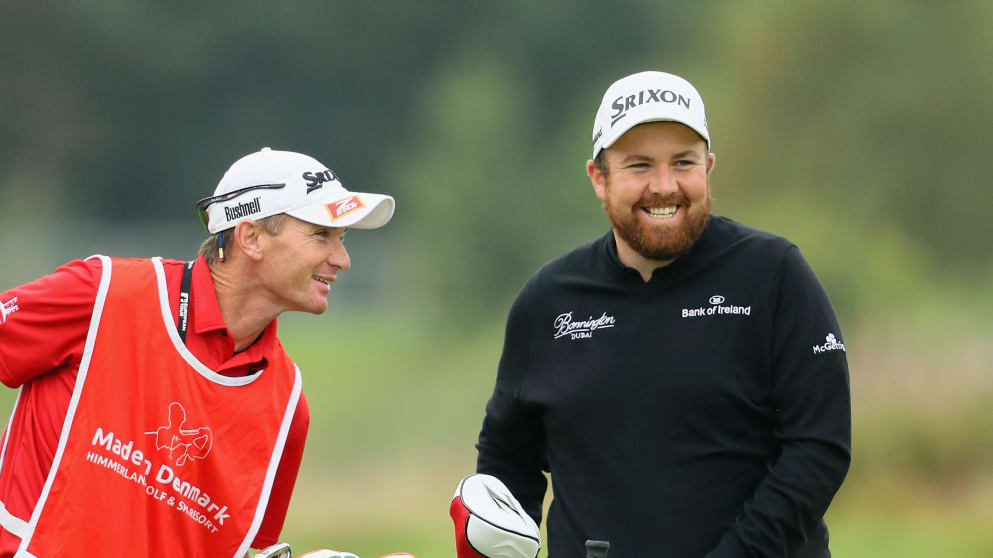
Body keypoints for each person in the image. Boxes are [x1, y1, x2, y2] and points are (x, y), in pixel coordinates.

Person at [473, 71, 852, 557]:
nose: (664, 185)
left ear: (709, 166)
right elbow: (507, 458)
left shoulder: (773, 274)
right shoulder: (548, 301)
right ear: (598, 178)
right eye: (639, 166)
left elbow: (818, 447)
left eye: (683, 162)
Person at [0, 148, 395, 557]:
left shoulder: (289, 406)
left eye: (342, 239)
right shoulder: (102, 294)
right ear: (251, 237)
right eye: (321, 235)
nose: (343, 259)